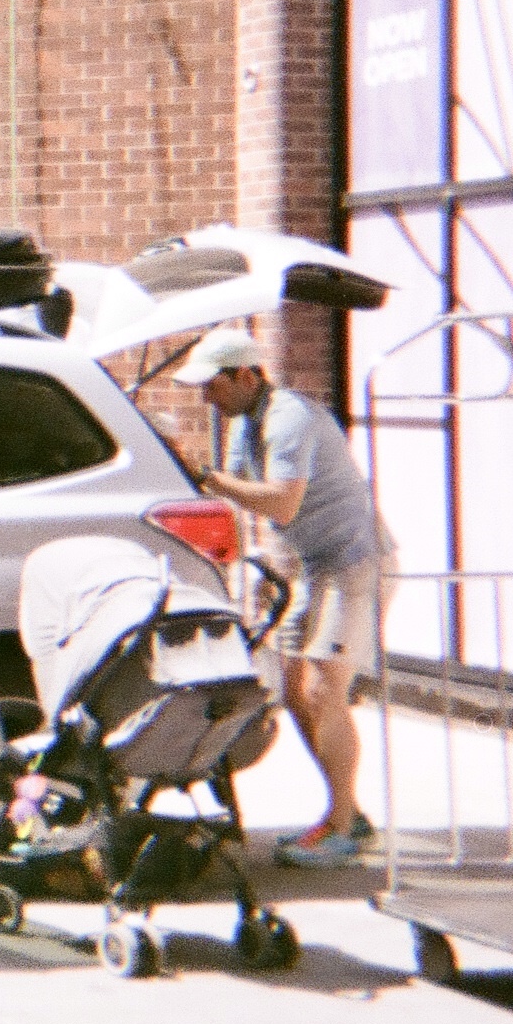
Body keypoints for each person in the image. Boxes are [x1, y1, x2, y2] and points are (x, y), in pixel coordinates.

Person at [176, 327, 391, 866]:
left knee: (322, 691)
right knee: (294, 692)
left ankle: (342, 828)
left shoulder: (289, 418)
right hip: (312, 566)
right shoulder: (245, 423)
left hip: (354, 562)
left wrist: (205, 475)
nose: (206, 398)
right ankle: (347, 812)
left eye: (213, 385)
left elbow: (281, 503)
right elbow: (245, 498)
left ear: (246, 374)